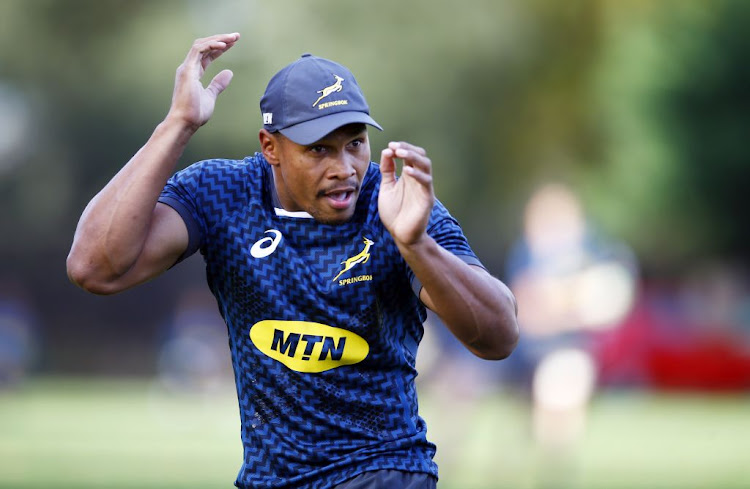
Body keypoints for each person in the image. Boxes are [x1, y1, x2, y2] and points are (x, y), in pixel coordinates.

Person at [66, 32, 519, 489]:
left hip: (384, 471)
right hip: (269, 479)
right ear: (270, 148)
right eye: (319, 149)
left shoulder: (397, 206)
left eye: (355, 143)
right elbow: (95, 268)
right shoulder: (223, 194)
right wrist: (178, 125)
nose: (344, 167)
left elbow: (498, 337)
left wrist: (417, 245)